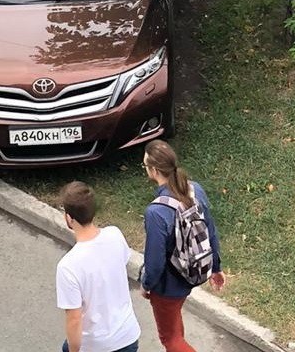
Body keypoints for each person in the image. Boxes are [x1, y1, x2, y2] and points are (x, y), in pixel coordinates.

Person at [140, 140, 225, 352]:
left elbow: (155, 263)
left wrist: (146, 284)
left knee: (171, 340)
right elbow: (210, 229)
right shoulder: (195, 189)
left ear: (154, 170)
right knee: (175, 327)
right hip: (193, 272)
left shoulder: (156, 212)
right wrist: (215, 267)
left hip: (168, 286)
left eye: (145, 167)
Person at [56, 181, 141, 352]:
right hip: (127, 335)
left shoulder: (68, 266)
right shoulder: (115, 235)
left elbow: (74, 319)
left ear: (69, 218)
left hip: (96, 345)